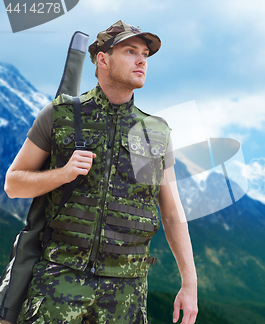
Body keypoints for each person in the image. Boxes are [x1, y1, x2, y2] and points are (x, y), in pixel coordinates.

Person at [3, 20, 198, 324]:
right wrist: (62, 174)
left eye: (145, 54)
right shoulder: (60, 115)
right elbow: (13, 184)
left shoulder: (155, 132)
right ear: (103, 59)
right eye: (131, 51)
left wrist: (189, 284)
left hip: (126, 294)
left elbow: (172, 213)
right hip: (58, 284)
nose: (142, 60)